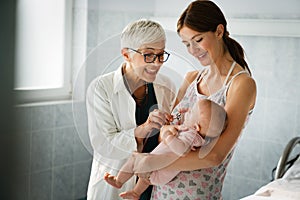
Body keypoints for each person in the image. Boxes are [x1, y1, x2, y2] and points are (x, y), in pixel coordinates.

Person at [144, 0, 256, 199]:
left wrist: (153, 163)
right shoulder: (191, 79)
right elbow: (166, 134)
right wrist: (164, 130)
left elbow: (215, 156)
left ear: (219, 31)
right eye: (187, 44)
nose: (193, 50)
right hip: (161, 192)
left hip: (198, 194)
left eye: (198, 40)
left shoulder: (241, 85)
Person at [85, 19, 176, 200]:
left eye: (161, 55)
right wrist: (143, 128)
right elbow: (103, 144)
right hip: (114, 185)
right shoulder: (101, 88)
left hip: (153, 183)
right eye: (148, 55)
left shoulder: (167, 86)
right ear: (126, 54)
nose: (157, 63)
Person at [104, 99, 227, 199]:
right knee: (144, 176)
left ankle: (119, 181)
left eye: (191, 112)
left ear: (196, 127)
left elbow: (181, 150)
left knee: (136, 160)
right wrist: (179, 115)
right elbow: (177, 119)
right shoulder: (189, 129)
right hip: (158, 165)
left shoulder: (192, 136)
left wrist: (168, 136)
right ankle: (134, 192)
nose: (188, 111)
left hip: (161, 170)